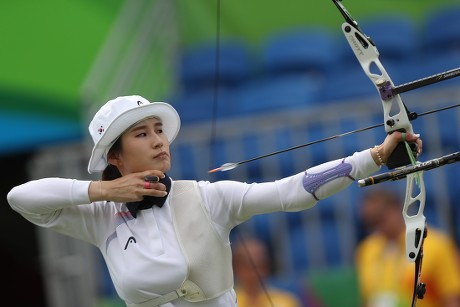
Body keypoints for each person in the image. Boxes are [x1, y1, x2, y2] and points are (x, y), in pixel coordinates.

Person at [7, 95, 422, 307]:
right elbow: (19, 197)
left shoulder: (208, 197)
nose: (157, 140)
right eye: (141, 134)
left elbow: (290, 191)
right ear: (114, 157)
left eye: (158, 129)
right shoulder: (99, 216)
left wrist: (376, 156)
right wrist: (103, 190)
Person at [355, 187, 460, 307]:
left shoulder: (437, 244)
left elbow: (452, 298)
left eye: (380, 218)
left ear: (398, 208)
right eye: (370, 221)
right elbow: (366, 299)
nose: (377, 226)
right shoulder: (366, 249)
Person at [232, 237, 304, 307]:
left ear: (268, 266)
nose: (256, 273)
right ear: (236, 268)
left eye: (261, 265)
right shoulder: (228, 302)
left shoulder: (287, 301)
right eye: (248, 266)